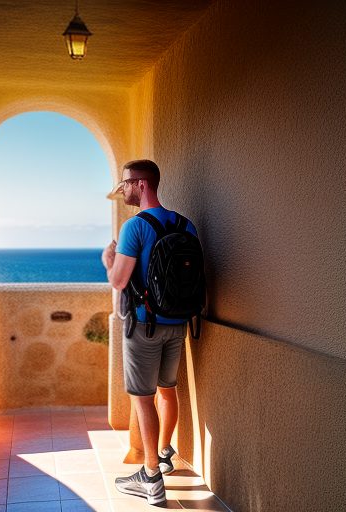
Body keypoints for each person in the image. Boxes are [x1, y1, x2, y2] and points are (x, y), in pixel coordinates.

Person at [102, 159, 199, 506]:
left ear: (142, 184)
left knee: (143, 399)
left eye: (126, 183)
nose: (123, 189)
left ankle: (151, 476)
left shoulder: (135, 227)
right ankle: (164, 454)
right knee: (168, 391)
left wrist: (107, 258)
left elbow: (119, 281)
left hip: (144, 324)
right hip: (178, 323)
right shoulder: (186, 226)